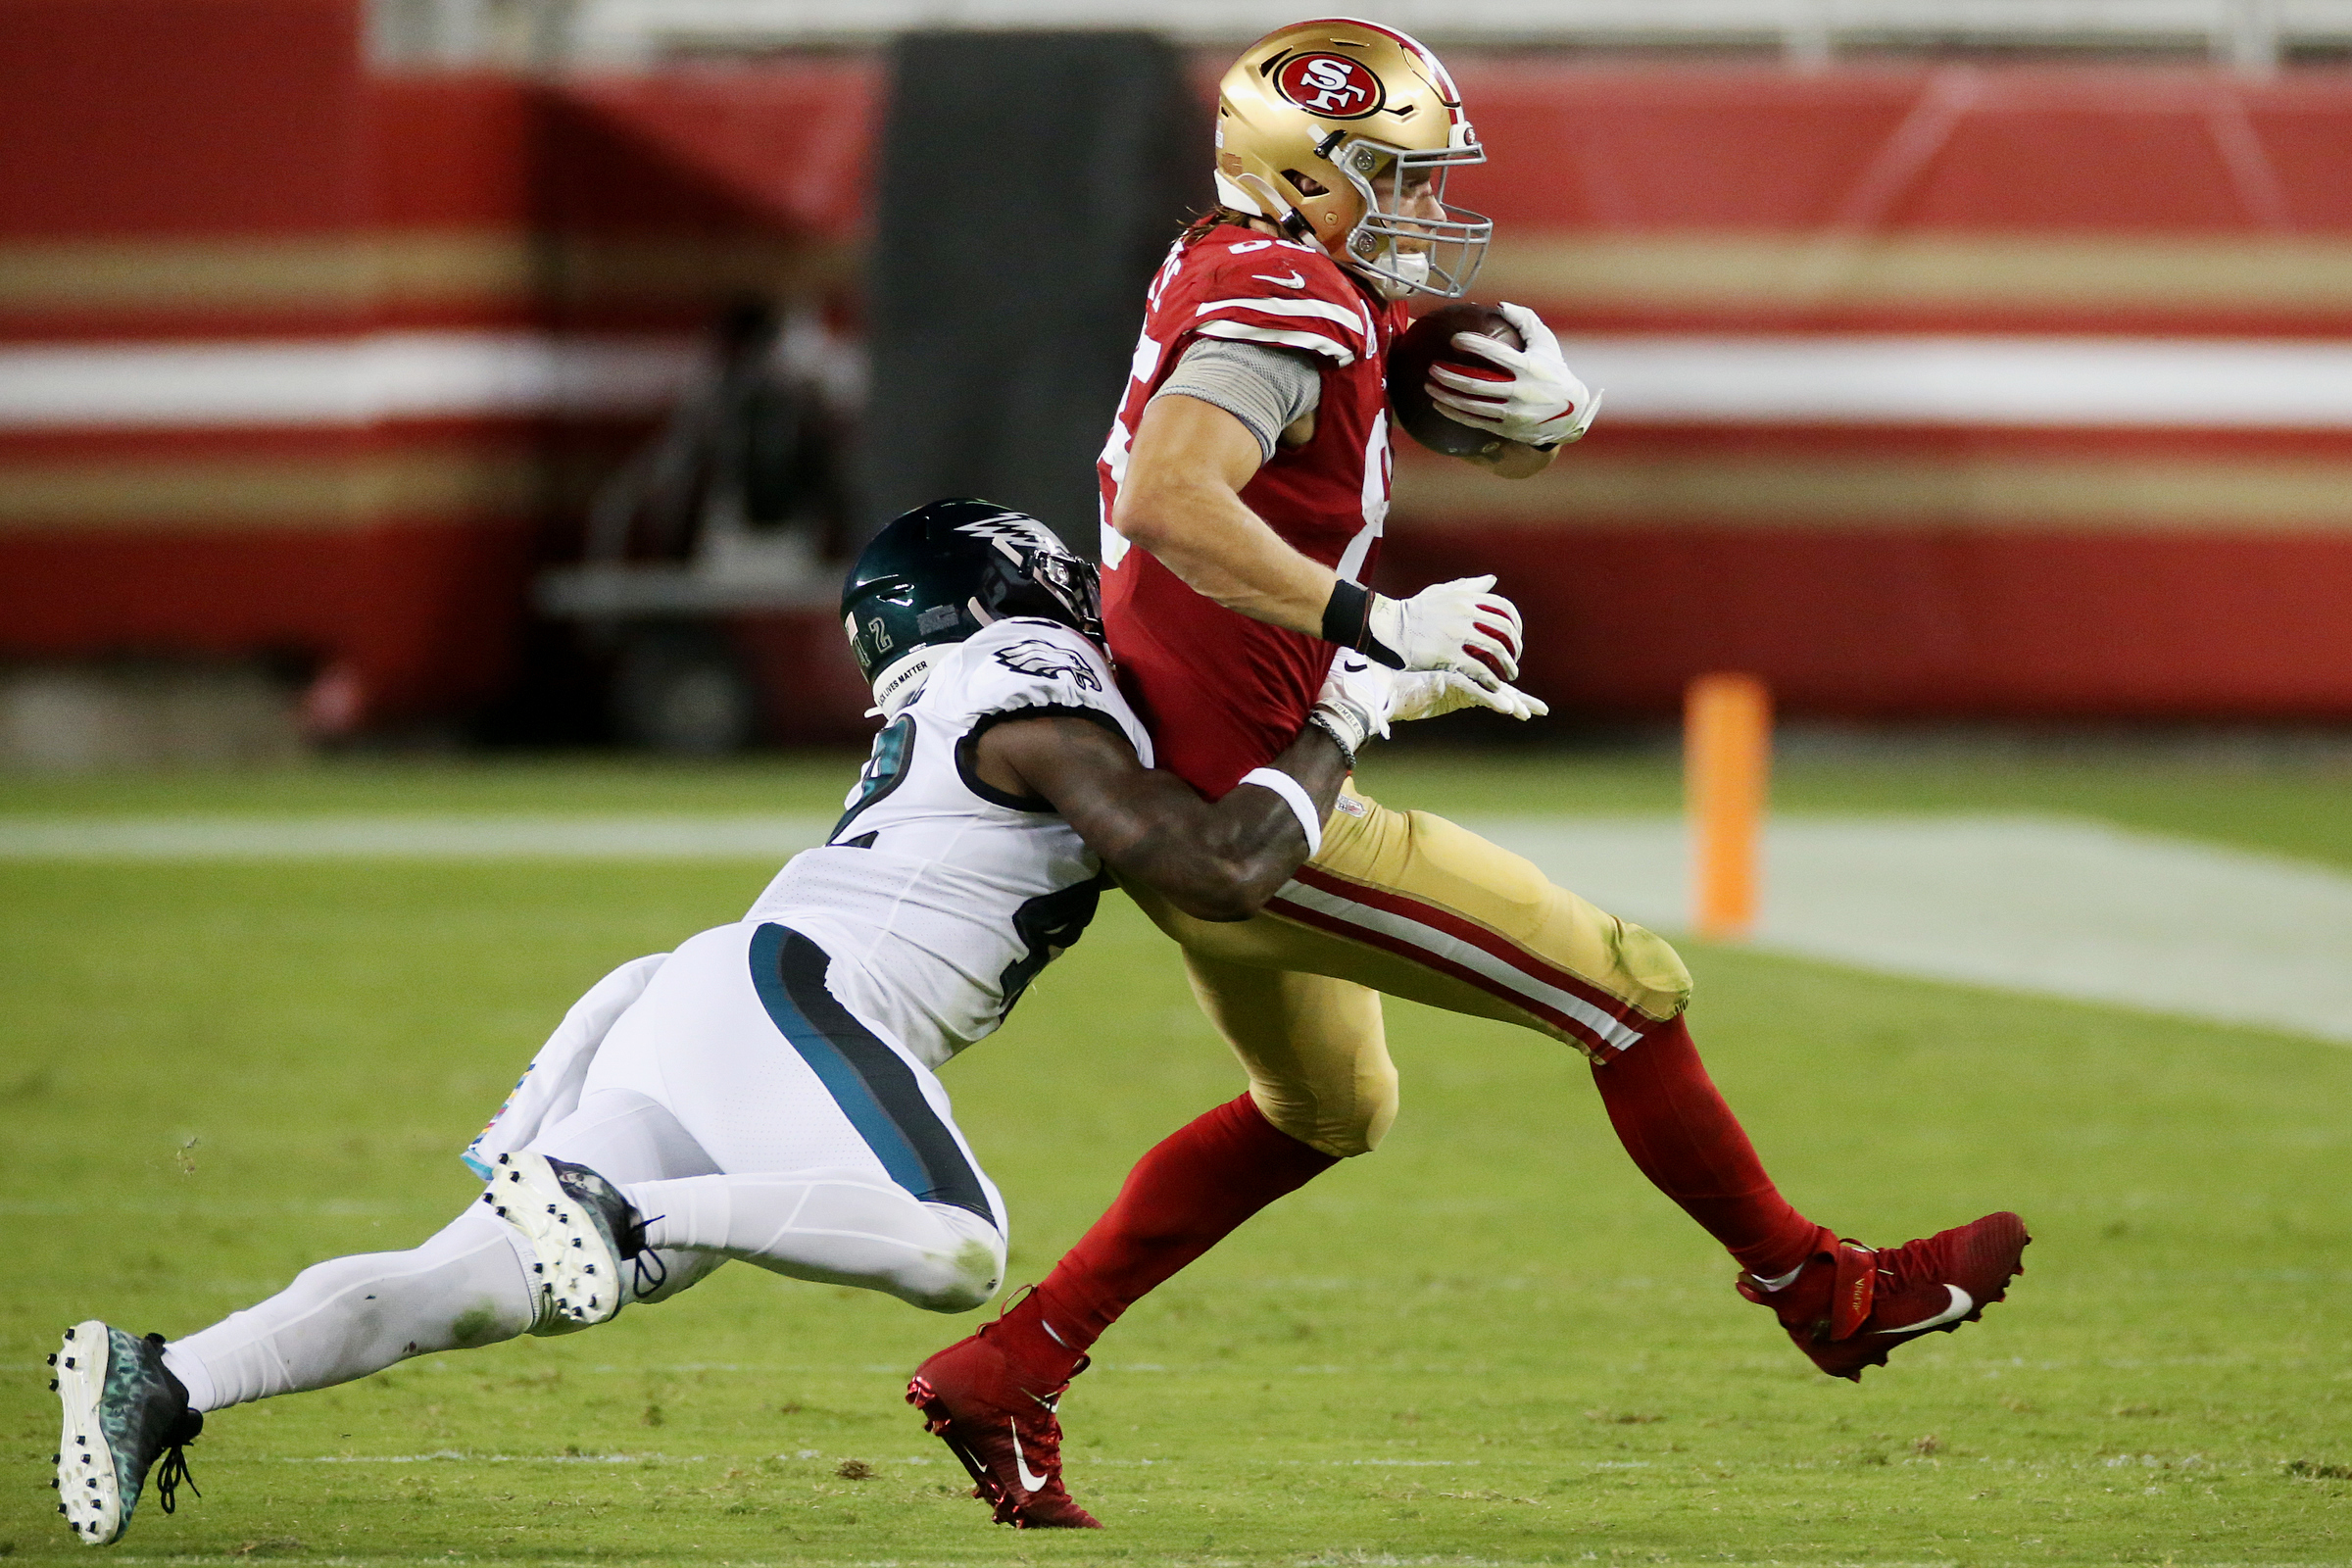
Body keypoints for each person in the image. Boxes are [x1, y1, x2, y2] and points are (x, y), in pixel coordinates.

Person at [905, 18, 2030, 1529]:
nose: (1426, 208)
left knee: (1328, 1107)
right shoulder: (1283, 292)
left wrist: (1485, 408)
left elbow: (1293, 434)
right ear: (1306, 176)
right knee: (1628, 986)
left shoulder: (1267, 273)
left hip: (1208, 772)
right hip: (1260, 812)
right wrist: (1373, 626)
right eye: (1393, 176)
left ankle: (1012, 1365)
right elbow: (1179, 498)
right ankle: (1827, 1291)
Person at [46, 498, 1532, 1548]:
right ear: (1013, 590)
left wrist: (1364, 702)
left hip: (715, 993)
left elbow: (1215, 793)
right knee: (956, 1248)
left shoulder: (970, 691)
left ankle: (168, 1376)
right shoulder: (1029, 676)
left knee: (477, 1290)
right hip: (797, 997)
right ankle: (617, 1211)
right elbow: (1216, 866)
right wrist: (1347, 713)